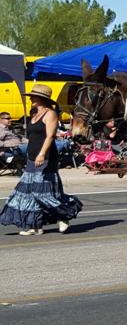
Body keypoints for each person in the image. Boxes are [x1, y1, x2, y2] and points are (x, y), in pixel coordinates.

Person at [0, 85, 82, 235]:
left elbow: (50, 136)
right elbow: (32, 136)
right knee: (28, 192)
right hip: (31, 157)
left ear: (41, 99)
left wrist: (42, 154)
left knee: (42, 192)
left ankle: (63, 216)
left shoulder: (50, 114)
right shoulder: (34, 113)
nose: (30, 99)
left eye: (33, 97)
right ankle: (35, 225)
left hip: (45, 157)